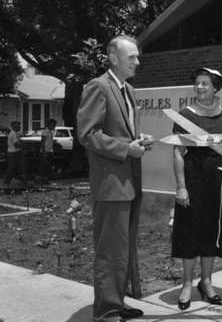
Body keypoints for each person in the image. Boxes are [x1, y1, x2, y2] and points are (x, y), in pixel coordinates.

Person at [77, 35, 152, 322]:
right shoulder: (98, 86)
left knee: (123, 249)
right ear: (113, 59)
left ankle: (117, 303)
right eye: (131, 57)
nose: (137, 61)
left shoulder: (128, 90)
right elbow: (88, 134)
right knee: (110, 250)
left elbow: (122, 132)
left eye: (137, 56)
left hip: (130, 182)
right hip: (111, 185)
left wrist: (138, 141)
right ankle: (106, 312)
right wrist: (125, 149)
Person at [172, 67, 222, 311]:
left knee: (211, 231)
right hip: (193, 180)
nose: (199, 87)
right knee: (190, 231)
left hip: (217, 182)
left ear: (215, 88)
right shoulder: (185, 115)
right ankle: (187, 284)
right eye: (197, 83)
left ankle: (206, 282)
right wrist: (181, 187)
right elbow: (177, 153)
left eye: (205, 83)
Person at [38, 118, 57, 184]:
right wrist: (44, 152)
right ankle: (41, 178)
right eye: (53, 125)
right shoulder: (45, 132)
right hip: (45, 151)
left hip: (49, 150)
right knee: (44, 165)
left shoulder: (51, 132)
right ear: (50, 124)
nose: (54, 126)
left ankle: (45, 179)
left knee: (47, 165)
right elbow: (42, 142)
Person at [4, 121, 22, 185]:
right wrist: (23, 146)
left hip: (12, 152)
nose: (20, 127)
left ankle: (9, 180)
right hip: (13, 152)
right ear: (13, 126)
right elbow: (16, 144)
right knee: (12, 167)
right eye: (18, 126)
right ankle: (6, 181)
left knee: (15, 167)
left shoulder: (13, 133)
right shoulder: (14, 134)